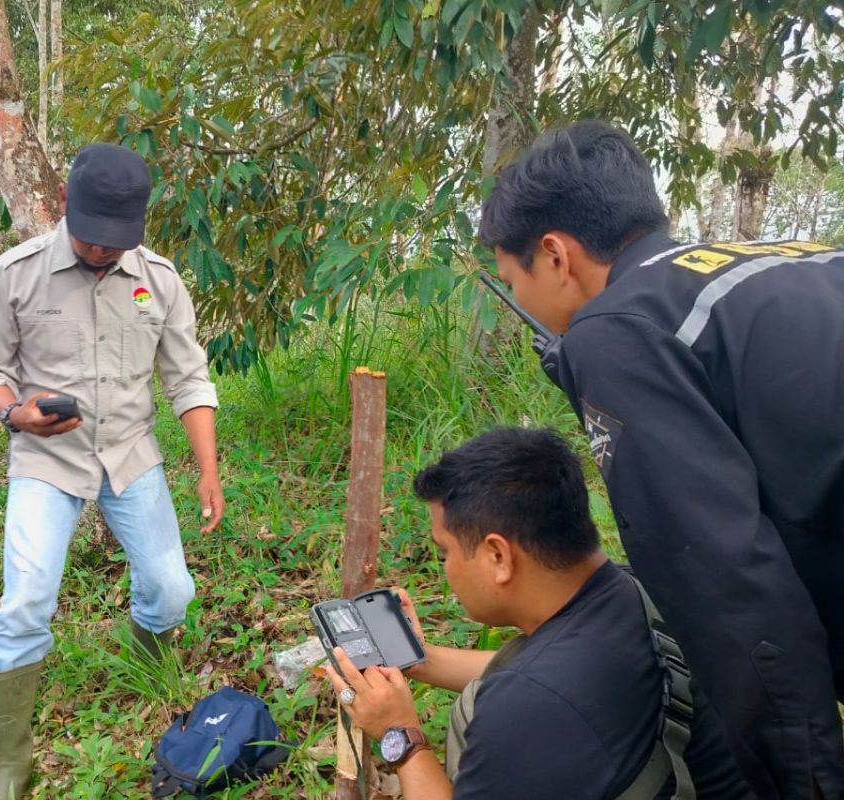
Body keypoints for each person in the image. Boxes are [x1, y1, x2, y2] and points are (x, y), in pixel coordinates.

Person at [476, 119, 844, 799]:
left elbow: (729, 593)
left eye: (510, 277)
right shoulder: (783, 259)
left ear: (554, 254)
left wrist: (807, 785)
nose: (517, 301)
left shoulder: (614, 329)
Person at [0, 142, 224, 800]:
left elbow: (189, 379)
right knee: (25, 603)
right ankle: (10, 765)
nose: (102, 252)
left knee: (171, 588)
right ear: (62, 207)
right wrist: (14, 413)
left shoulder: (158, 280)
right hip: (46, 458)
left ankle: (146, 654)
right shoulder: (17, 273)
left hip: (129, 451)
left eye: (116, 241)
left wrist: (207, 470)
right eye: (91, 237)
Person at [325, 427, 752, 800]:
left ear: (498, 556)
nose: (446, 569)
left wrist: (402, 735)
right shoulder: (629, 589)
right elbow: (540, 676)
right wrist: (421, 661)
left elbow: (540, 694)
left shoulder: (527, 714)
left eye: (445, 552)